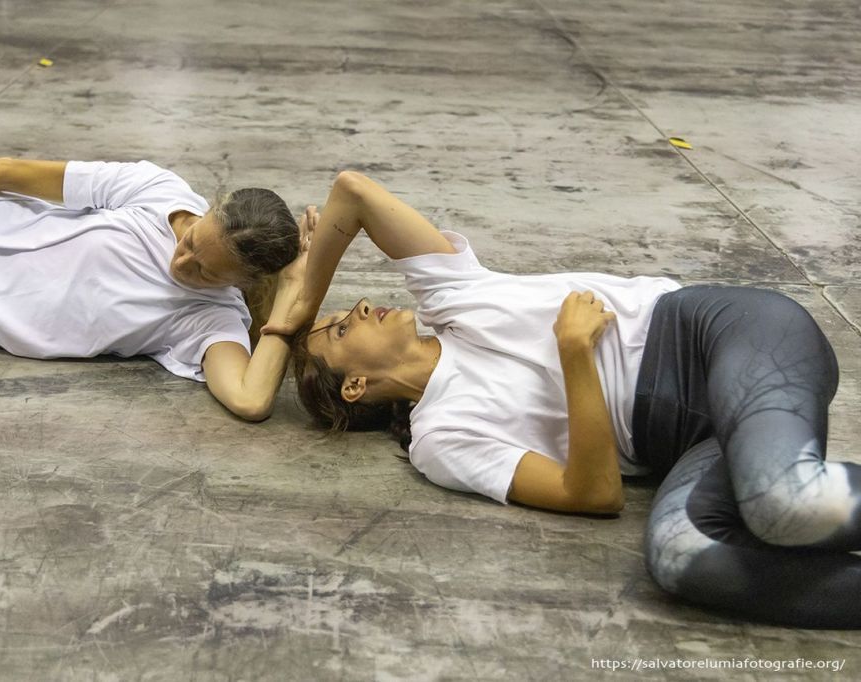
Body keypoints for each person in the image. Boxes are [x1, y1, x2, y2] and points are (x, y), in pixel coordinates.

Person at [267, 170, 861, 628]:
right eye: (344, 327)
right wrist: (576, 355)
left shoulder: (451, 296)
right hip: (690, 440)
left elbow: (353, 192)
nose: (364, 306)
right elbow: (594, 495)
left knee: (783, 503)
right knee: (679, 557)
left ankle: (786, 472)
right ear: (354, 386)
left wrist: (300, 302)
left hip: (717, 335)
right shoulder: (441, 439)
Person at [0, 157, 311, 421]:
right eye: (190, 242)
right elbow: (12, 173)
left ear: (245, 282)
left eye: (205, 270)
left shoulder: (211, 319)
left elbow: (251, 400)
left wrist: (292, 290)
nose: (181, 260)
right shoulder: (159, 190)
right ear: (209, 209)